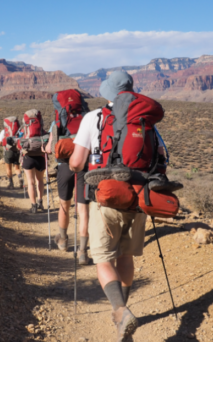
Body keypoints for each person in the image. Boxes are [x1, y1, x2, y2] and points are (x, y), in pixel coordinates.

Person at [69, 70, 147, 342]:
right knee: (125, 257)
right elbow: (161, 156)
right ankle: (122, 316)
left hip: (105, 197)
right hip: (137, 197)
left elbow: (77, 163)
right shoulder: (144, 119)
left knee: (102, 257)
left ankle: (120, 312)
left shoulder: (94, 117)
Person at [44, 91, 90, 265]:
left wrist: (45, 148)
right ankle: (83, 252)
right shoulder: (88, 119)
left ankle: (63, 240)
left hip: (65, 166)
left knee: (65, 204)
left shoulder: (57, 121)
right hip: (85, 166)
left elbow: (50, 148)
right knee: (83, 209)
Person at [17, 109, 46, 214]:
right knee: (40, 180)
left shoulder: (23, 131)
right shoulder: (42, 131)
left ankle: (33, 206)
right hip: (41, 157)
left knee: (31, 182)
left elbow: (18, 145)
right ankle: (40, 202)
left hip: (28, 157)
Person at [0, 125, 24, 189]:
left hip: (8, 151)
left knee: (8, 169)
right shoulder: (19, 131)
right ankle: (20, 177)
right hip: (17, 151)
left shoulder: (4, 131)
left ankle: (11, 184)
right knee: (16, 168)